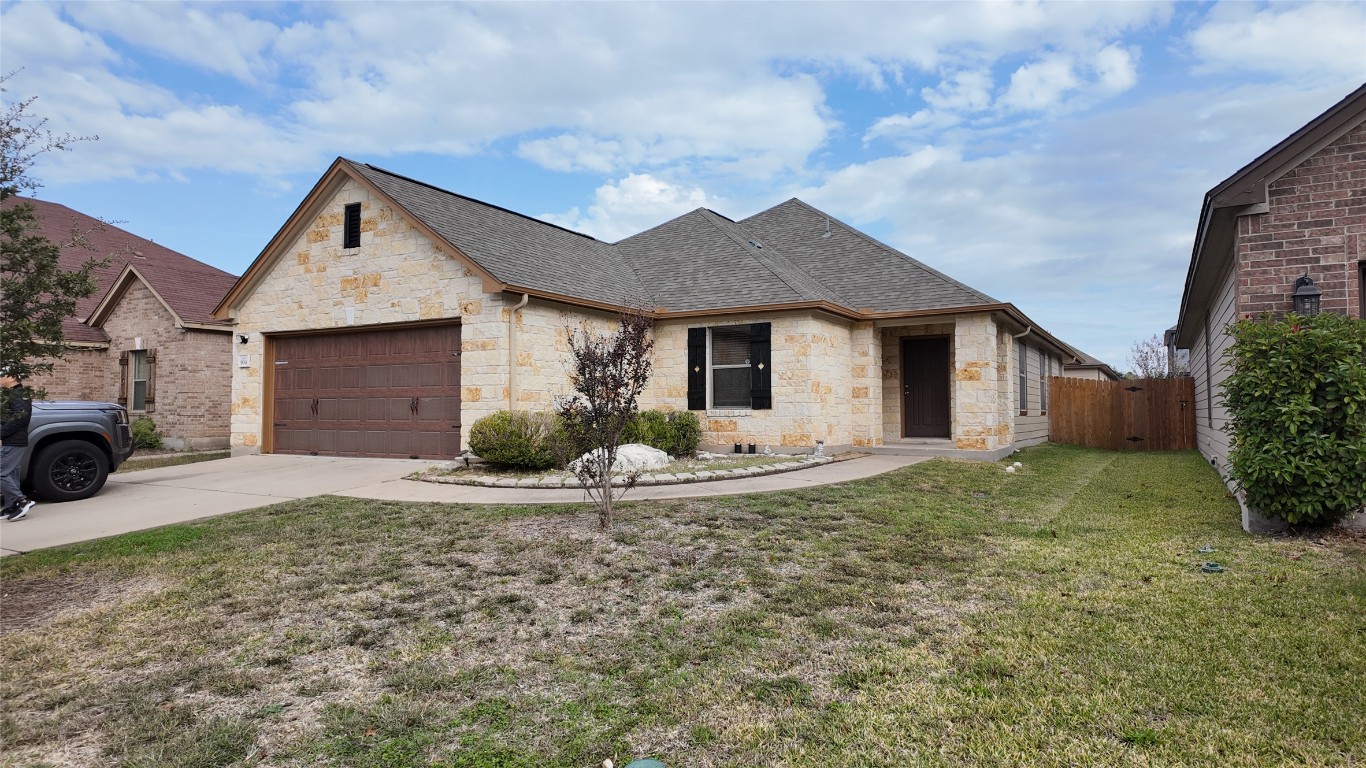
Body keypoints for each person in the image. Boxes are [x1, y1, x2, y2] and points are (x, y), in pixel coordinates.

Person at [1, 368, 35, 521]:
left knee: (1, 473)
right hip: (12, 440)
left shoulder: (18, 395)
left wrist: (1, 432)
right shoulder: (13, 394)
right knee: (11, 474)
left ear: (11, 377)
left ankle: (22, 501)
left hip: (15, 441)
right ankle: (12, 506)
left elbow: (19, 419)